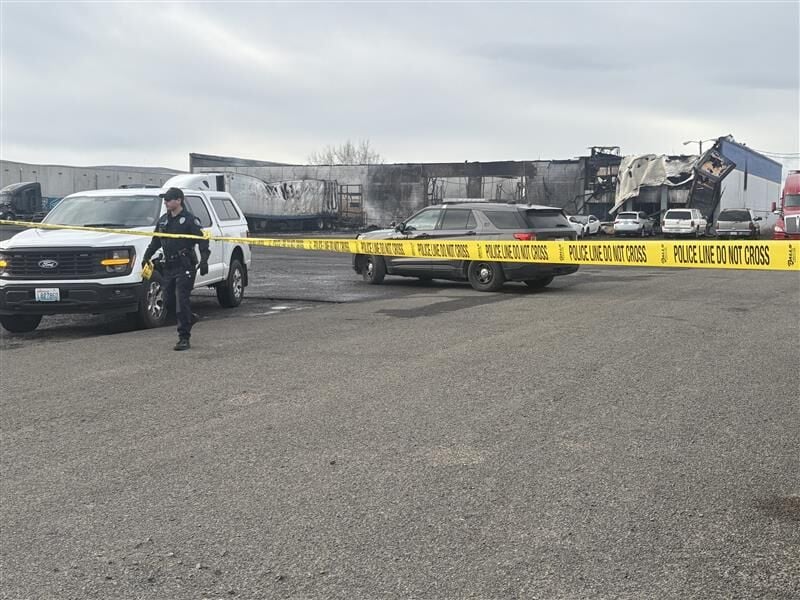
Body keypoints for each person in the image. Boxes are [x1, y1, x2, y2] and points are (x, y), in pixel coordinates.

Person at [141, 187, 210, 351]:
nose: (165, 202)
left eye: (168, 199)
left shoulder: (189, 220)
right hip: (169, 266)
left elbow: (203, 239)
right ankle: (189, 318)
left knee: (182, 300)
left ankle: (184, 338)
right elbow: (155, 241)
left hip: (185, 266)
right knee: (168, 301)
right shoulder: (163, 221)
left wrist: (204, 260)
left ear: (179, 200)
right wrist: (146, 257)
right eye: (164, 200)